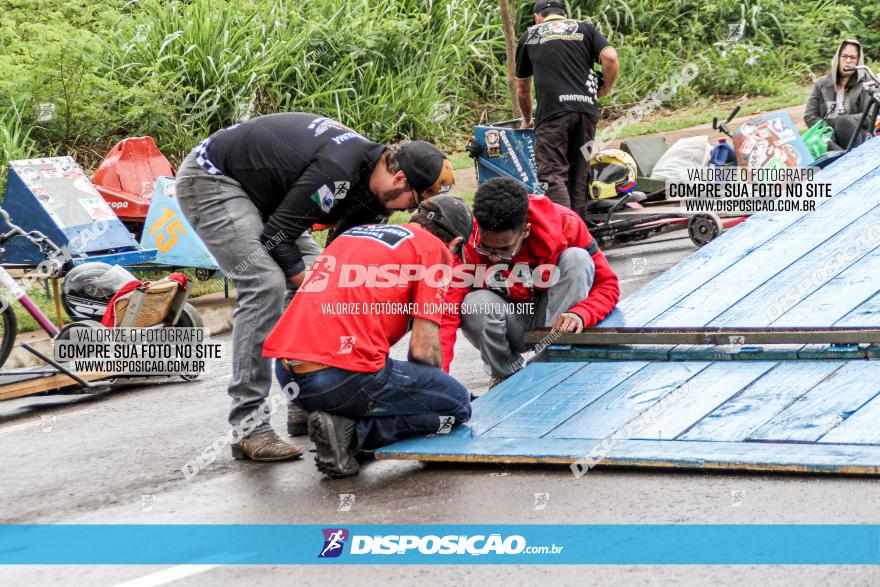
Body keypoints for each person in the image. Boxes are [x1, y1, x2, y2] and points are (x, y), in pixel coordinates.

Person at [175, 112, 454, 462]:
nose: (406, 211)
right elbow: (276, 238)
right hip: (214, 177)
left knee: (323, 275)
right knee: (265, 284)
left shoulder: (376, 195)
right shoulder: (339, 168)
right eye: (411, 202)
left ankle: (303, 400)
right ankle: (249, 425)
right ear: (399, 177)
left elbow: (343, 257)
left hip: (267, 196)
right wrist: (308, 283)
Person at [264, 196, 474, 478]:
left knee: (388, 387)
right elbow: (423, 351)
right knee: (458, 406)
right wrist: (434, 391)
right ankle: (353, 434)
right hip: (339, 378)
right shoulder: (434, 250)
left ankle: (341, 421)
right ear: (456, 242)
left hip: (289, 375)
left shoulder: (352, 234)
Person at [440, 177, 619, 384]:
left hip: (557, 320)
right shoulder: (466, 241)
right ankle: (507, 376)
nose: (494, 258)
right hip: (512, 321)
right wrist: (435, 380)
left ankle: (552, 364)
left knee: (577, 258)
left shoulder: (566, 224)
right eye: (486, 248)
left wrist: (581, 314)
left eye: (505, 249)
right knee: (473, 305)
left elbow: (608, 286)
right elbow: (447, 313)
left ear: (526, 230)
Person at [515, 0, 619, 218]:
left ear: (538, 17)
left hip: (553, 114)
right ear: (564, 14)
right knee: (579, 173)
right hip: (586, 113)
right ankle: (580, 237)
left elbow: (522, 88)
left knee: (552, 173)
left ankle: (565, 231)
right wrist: (606, 88)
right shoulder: (585, 28)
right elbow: (610, 57)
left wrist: (527, 118)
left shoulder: (532, 34)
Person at [805, 40, 872, 149]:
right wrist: (829, 129)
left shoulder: (867, 82)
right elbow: (810, 116)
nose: (848, 60)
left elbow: (869, 117)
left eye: (853, 58)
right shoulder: (822, 83)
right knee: (824, 141)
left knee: (843, 122)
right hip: (829, 135)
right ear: (838, 59)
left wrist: (842, 121)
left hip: (859, 135)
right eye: (844, 56)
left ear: (858, 62)